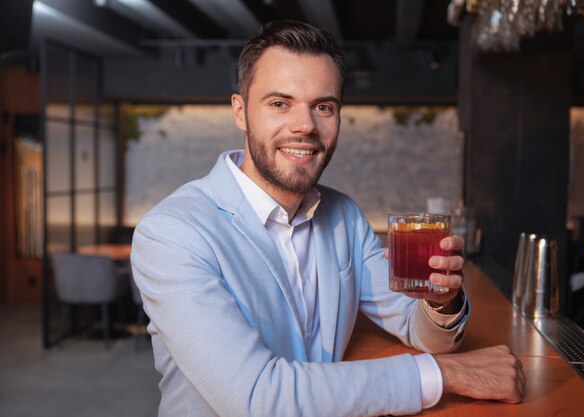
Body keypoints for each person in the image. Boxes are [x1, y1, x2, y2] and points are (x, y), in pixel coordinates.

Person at [131, 20, 525, 417]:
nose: (305, 126)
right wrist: (443, 374)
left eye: (323, 106)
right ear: (240, 112)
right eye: (280, 103)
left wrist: (441, 303)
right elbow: (258, 399)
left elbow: (416, 327)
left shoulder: (345, 216)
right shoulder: (171, 233)